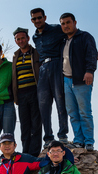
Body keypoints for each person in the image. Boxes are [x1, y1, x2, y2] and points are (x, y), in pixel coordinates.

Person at [30, 7, 68, 148]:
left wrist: (93, 51)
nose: (37, 20)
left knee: (60, 101)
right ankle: (48, 138)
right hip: (43, 69)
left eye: (39, 17)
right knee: (44, 105)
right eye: (34, 18)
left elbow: (72, 36)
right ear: (32, 20)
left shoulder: (57, 29)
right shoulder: (35, 37)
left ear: (45, 17)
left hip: (57, 65)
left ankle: (63, 135)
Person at [60, 13, 98, 152]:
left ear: (75, 22)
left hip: (81, 80)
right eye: (63, 23)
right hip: (66, 80)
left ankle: (89, 142)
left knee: (84, 112)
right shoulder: (62, 39)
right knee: (72, 113)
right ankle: (78, 141)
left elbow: (91, 54)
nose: (65, 26)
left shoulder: (85, 37)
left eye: (68, 22)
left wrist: (90, 71)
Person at [12, 27, 42, 157]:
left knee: (36, 124)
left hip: (35, 92)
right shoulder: (15, 56)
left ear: (28, 38)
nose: (20, 40)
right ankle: (26, 153)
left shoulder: (36, 53)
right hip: (21, 94)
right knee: (25, 125)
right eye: (18, 39)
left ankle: (34, 153)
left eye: (22, 38)